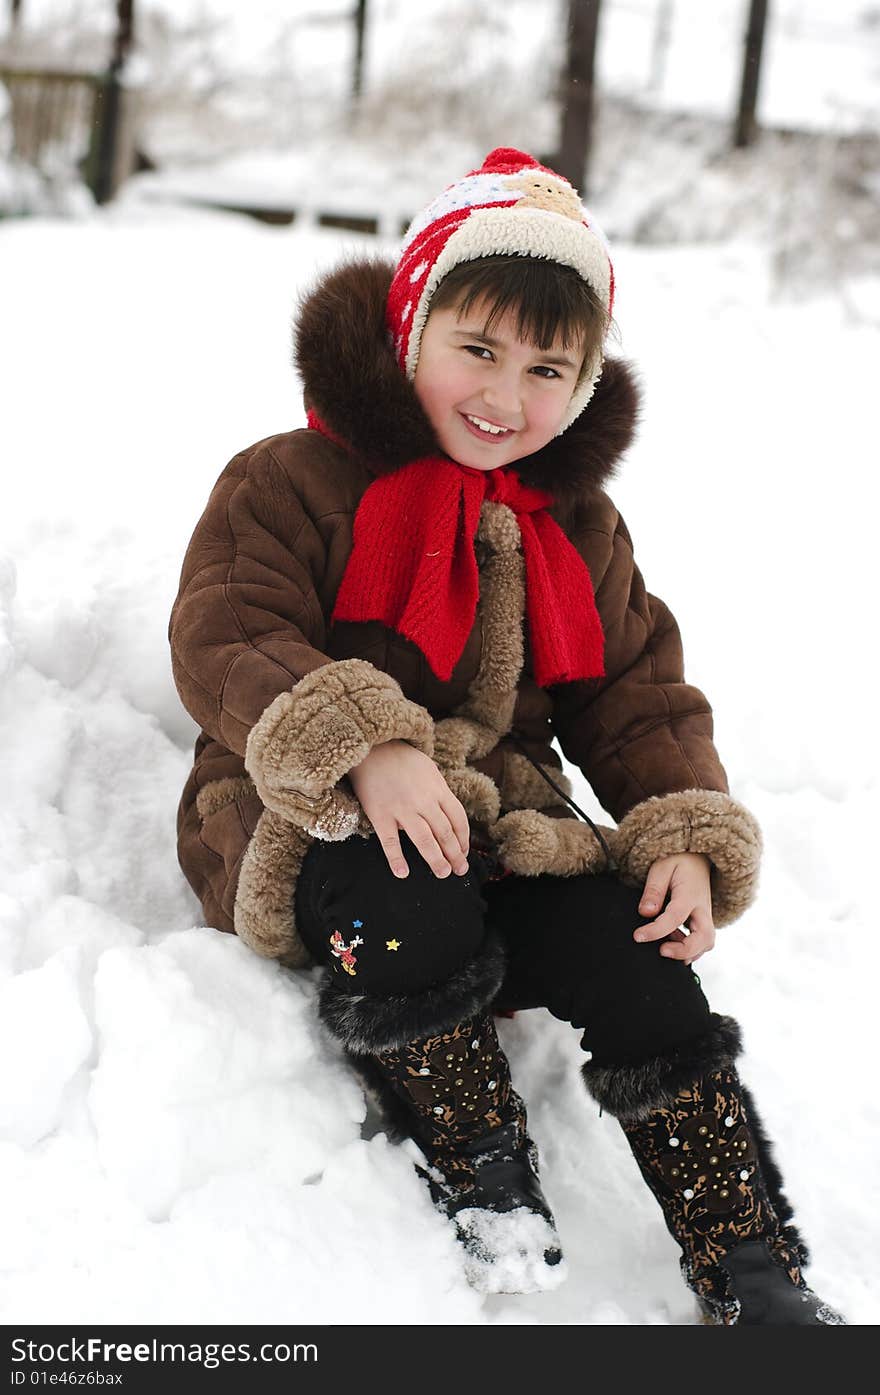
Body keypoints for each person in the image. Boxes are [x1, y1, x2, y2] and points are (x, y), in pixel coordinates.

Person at [168, 148, 843, 1323]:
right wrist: (363, 746)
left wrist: (676, 830)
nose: (506, 395)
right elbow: (226, 625)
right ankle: (477, 1162)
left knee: (640, 949)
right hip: (312, 830)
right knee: (406, 895)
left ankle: (745, 1259)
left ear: (581, 388)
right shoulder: (290, 479)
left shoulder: (570, 526)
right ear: (410, 332)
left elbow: (633, 690)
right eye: (476, 349)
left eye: (547, 370)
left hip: (497, 832)